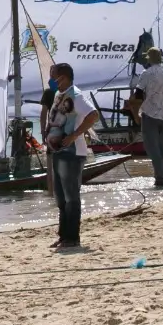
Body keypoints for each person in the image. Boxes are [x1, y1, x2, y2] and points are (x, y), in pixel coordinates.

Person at [43, 62, 97, 250]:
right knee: (60, 197)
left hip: (72, 153)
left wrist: (75, 135)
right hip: (58, 151)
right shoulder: (60, 95)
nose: (51, 80)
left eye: (54, 76)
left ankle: (73, 237)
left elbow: (93, 115)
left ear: (64, 77)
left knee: (71, 196)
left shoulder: (76, 95)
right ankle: (63, 235)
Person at [130, 48, 163, 187]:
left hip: (149, 113)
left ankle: (160, 178)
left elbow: (138, 93)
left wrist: (136, 110)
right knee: (161, 147)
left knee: (151, 147)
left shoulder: (146, 73)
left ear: (149, 59)